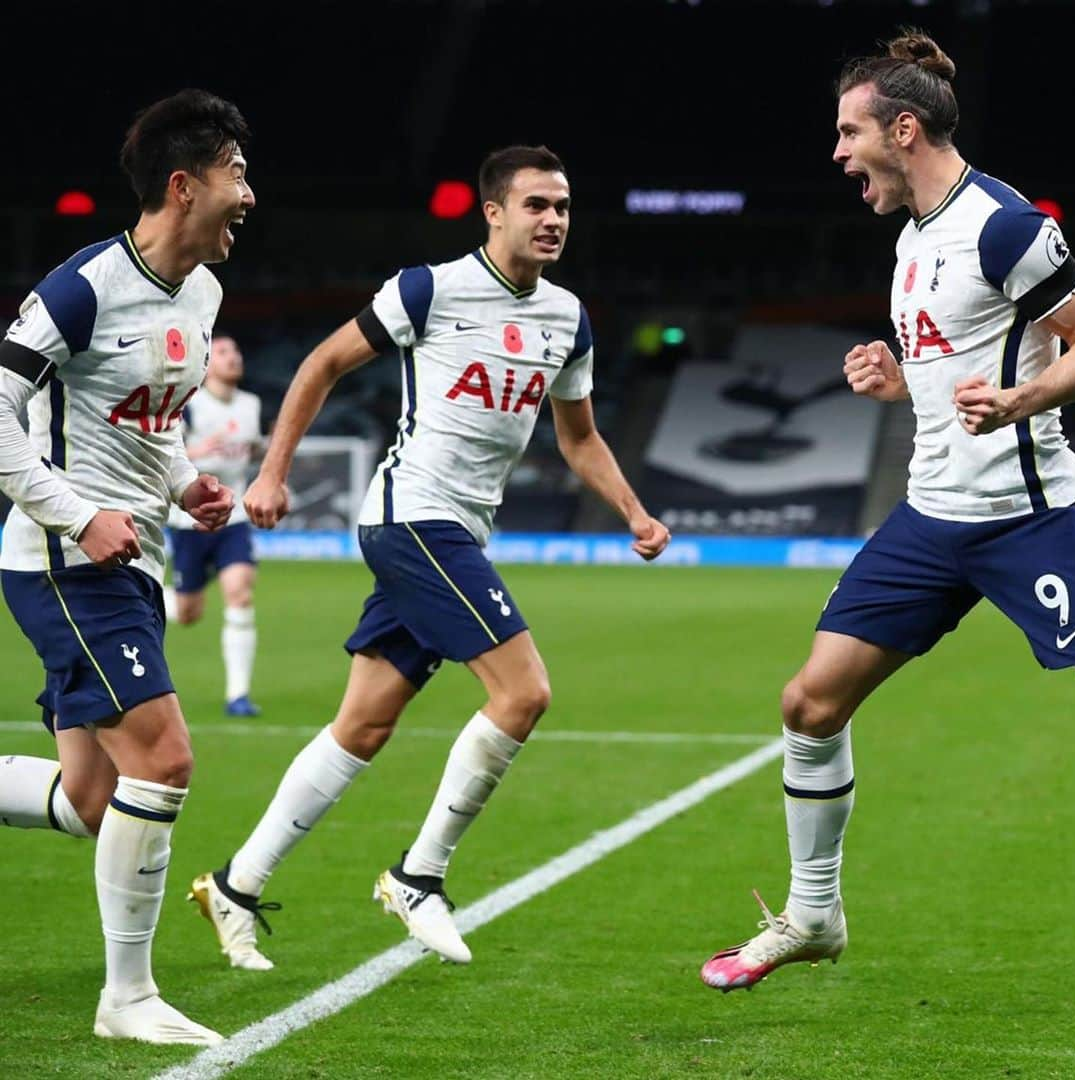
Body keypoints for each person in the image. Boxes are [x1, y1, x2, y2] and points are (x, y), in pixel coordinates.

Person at [188, 144, 671, 971]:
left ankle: (234, 885)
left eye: (562, 207)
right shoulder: (431, 288)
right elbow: (321, 364)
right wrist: (270, 473)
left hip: (457, 532)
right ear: (494, 212)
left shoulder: (568, 317)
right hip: (413, 518)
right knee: (524, 692)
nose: (553, 220)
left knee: (364, 725)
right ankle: (419, 876)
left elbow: (578, 434)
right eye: (536, 205)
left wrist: (632, 509)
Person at [700, 30, 1075, 992]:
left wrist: (1025, 402)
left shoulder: (1006, 226)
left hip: (1035, 514)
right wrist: (897, 377)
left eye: (848, 131)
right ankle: (814, 916)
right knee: (809, 704)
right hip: (929, 521)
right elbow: (960, 368)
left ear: (902, 129)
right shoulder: (914, 239)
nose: (837, 153)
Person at [0, 88, 255, 1042]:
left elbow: (146, 417)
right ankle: (129, 999)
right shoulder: (79, 289)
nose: (249, 195)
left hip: (135, 558)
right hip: (64, 562)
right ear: (183, 187)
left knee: (92, 797)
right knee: (167, 758)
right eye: (235, 174)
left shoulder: (204, 291)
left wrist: (185, 482)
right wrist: (74, 516)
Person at [165, 332, 263, 716]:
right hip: (190, 522)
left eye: (236, 349)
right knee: (190, 613)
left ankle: (238, 695)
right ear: (206, 365)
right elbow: (163, 454)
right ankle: (158, 598)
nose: (233, 356)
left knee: (240, 592)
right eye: (223, 351)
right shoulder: (188, 407)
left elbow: (253, 448)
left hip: (233, 517)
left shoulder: (251, 405)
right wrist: (197, 452)